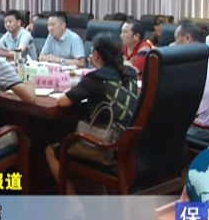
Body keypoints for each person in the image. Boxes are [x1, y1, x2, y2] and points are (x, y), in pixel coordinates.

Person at [45, 32, 139, 197]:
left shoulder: (95, 78)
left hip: (106, 145)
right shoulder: (130, 73)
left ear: (96, 54)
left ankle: (73, 203)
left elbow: (62, 102)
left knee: (50, 150)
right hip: (130, 142)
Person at [174, 21, 209, 144]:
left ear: (188, 38)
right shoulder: (208, 54)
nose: (174, 44)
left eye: (176, 39)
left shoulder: (193, 61)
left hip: (200, 129)